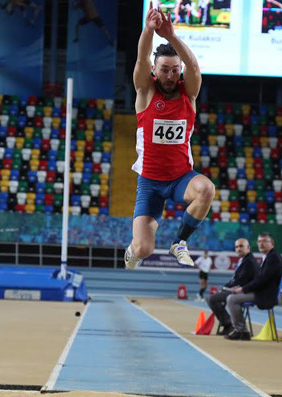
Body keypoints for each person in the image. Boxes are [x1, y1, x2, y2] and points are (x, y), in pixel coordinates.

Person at [124, 3, 214, 271]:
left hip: (180, 178)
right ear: (155, 71)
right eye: (164, 69)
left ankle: (179, 242)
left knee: (207, 189)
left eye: (175, 70)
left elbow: (194, 67)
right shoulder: (146, 93)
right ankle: (133, 250)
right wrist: (148, 30)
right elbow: (141, 60)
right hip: (150, 183)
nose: (171, 75)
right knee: (144, 249)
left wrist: (171, 36)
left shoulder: (190, 94)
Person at [224, 232, 282, 340]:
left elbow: (262, 280)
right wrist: (242, 288)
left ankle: (241, 331)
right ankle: (241, 330)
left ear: (272, 244)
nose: (261, 244)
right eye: (259, 241)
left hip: (265, 294)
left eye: (265, 241)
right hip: (261, 291)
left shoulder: (273, 258)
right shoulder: (268, 256)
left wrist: (243, 289)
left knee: (232, 299)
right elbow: (259, 280)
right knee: (232, 296)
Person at [206, 239, 258, 336]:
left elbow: (241, 280)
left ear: (248, 247)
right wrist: (225, 287)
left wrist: (229, 288)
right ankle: (227, 322)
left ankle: (228, 323)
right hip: (237, 289)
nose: (238, 249)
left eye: (241, 246)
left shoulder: (249, 261)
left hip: (244, 292)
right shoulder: (243, 260)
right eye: (236, 247)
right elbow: (236, 279)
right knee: (212, 298)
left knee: (212, 299)